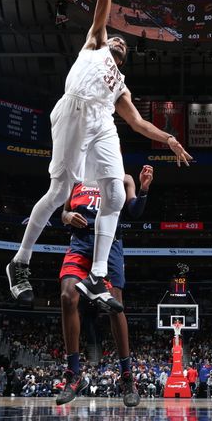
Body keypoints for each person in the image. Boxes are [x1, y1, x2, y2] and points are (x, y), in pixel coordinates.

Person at [6, 0, 192, 310]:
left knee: (117, 194)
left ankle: (98, 274)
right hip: (74, 109)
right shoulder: (94, 42)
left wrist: (170, 139)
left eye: (125, 45)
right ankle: (20, 261)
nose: (120, 42)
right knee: (59, 192)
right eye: (118, 39)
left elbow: (140, 124)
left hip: (102, 120)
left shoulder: (120, 87)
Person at [55, 165, 153, 406]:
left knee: (114, 304)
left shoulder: (124, 177)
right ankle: (73, 374)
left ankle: (127, 377)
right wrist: (68, 217)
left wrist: (143, 189)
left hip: (110, 243)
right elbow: (63, 214)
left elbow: (134, 211)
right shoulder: (77, 179)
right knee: (68, 297)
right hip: (80, 242)